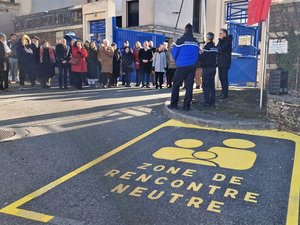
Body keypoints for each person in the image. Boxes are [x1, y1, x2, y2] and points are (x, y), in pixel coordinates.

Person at [168, 23, 199, 111]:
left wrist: (179, 61)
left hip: (181, 66)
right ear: (192, 31)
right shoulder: (196, 42)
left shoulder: (180, 41)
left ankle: (174, 104)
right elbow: (197, 54)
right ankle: (186, 106)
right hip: (192, 66)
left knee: (176, 85)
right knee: (189, 86)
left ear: (185, 30)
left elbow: (174, 53)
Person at [199, 32, 218, 107]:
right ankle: (212, 101)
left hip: (207, 68)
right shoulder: (215, 47)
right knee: (211, 85)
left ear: (207, 38)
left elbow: (202, 57)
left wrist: (200, 53)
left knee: (205, 85)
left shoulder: (206, 47)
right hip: (213, 68)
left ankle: (206, 102)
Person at [217, 28, 233, 99]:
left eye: (220, 33)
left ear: (224, 34)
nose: (219, 35)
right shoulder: (221, 41)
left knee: (224, 78)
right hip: (220, 62)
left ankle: (225, 93)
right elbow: (217, 48)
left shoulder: (227, 40)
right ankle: (222, 92)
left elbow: (221, 49)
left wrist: (220, 41)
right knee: (221, 77)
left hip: (224, 62)